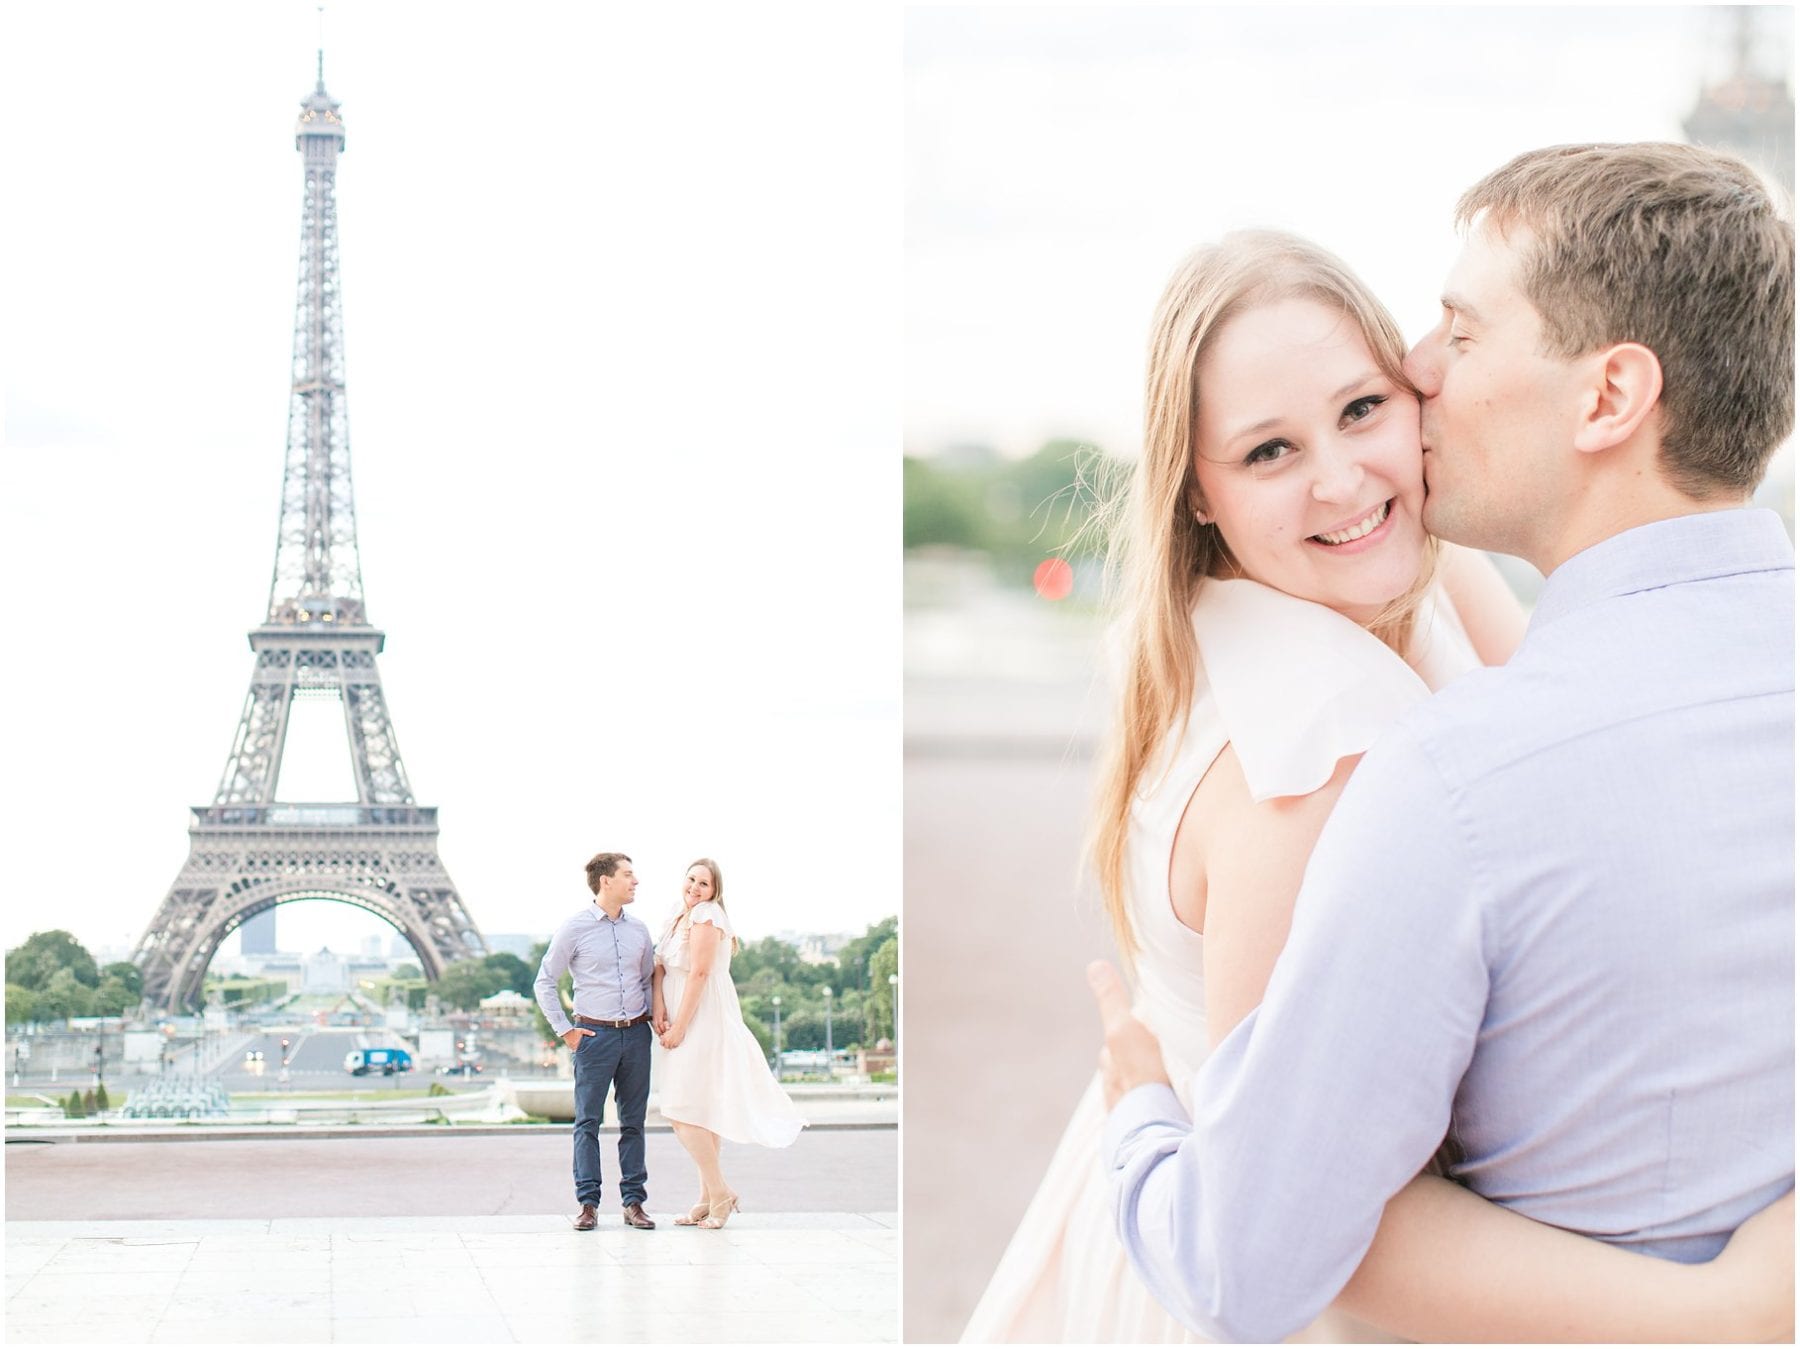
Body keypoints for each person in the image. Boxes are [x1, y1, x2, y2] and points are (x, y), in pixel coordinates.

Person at [966, 206, 1792, 1339]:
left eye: (1362, 409)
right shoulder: (1312, 768)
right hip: (1252, 1257)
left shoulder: (1421, 572)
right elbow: (1283, 1220)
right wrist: (1721, 1306)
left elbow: (1577, 720)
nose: (1346, 481)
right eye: (1270, 450)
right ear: (1197, 489)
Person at [653, 858, 805, 1228]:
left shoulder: (707, 916)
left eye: (704, 883)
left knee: (680, 1109)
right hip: (677, 1014)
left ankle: (721, 1193)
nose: (694, 887)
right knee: (700, 1110)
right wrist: (659, 1009)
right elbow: (659, 967)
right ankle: (707, 1197)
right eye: (691, 879)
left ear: (715, 891)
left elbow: (700, 974)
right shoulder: (678, 913)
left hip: (701, 1018)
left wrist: (680, 1027)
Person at [532, 850, 657, 1232]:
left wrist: (656, 1021)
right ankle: (588, 1204)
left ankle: (633, 1203)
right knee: (587, 1122)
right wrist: (565, 1031)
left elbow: (649, 981)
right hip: (594, 1035)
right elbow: (544, 981)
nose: (635, 882)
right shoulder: (575, 928)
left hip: (636, 1033)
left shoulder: (639, 930)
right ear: (606, 881)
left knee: (633, 1123)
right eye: (628, 875)